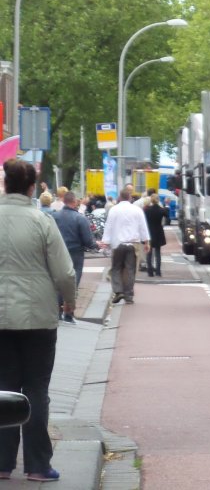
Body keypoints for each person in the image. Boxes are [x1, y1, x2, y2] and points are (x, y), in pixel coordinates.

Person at [0, 159, 77, 482]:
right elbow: (64, 271)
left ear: (5, 183)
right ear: (32, 187)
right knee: (36, 389)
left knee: (4, 387)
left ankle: (2, 463)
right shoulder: (42, 222)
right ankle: (37, 465)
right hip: (39, 318)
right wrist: (69, 303)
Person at [52, 191, 99, 321]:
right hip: (75, 254)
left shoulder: (54, 217)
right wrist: (96, 245)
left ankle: (57, 310)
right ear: (74, 202)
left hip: (58, 253)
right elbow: (88, 241)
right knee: (73, 283)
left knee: (58, 281)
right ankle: (68, 314)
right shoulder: (80, 218)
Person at [101, 188, 151, 305]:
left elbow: (109, 227)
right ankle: (129, 295)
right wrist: (146, 242)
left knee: (116, 268)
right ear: (130, 197)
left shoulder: (114, 210)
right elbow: (142, 226)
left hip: (118, 244)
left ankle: (118, 291)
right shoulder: (137, 210)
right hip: (133, 244)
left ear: (120, 197)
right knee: (130, 269)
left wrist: (106, 242)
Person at [143, 192, 168, 277]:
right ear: (158, 200)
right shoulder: (161, 210)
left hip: (149, 232)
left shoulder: (146, 210)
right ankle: (158, 271)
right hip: (158, 232)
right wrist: (166, 205)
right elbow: (167, 216)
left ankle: (150, 271)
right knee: (158, 253)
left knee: (149, 253)